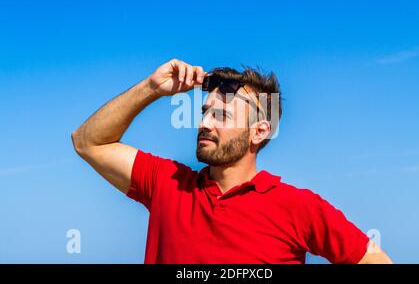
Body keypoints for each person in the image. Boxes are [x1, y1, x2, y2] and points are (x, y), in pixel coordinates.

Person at [71, 59, 392, 264]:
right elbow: (88, 141)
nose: (205, 123)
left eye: (221, 115)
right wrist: (152, 89)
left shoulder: (298, 207)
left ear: (259, 131)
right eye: (205, 112)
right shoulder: (166, 183)